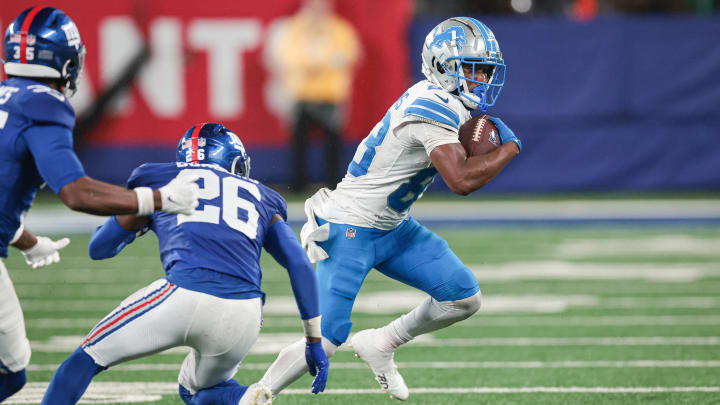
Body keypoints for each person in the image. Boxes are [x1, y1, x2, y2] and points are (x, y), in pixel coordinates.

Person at [256, 17, 522, 401]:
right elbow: (461, 181)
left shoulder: (448, 101)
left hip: (394, 227)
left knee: (462, 297)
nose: (481, 79)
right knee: (327, 337)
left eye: (485, 71)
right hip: (350, 226)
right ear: (443, 67)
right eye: (473, 69)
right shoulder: (434, 105)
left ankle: (382, 343)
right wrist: (510, 149)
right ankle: (258, 393)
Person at [40, 123, 330, 405]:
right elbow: (299, 264)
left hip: (182, 296)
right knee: (196, 391)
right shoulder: (262, 195)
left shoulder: (160, 177)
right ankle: (242, 398)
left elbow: (99, 248)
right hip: (244, 315)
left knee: (83, 361)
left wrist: (142, 214)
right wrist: (313, 341)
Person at [0, 7, 199, 402]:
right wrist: (156, 198)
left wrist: (24, 239)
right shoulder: (44, 104)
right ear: (63, 59)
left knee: (12, 365)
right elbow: (75, 191)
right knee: (12, 368)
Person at [269, 0, 361, 192]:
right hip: (302, 93)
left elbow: (349, 54)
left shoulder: (339, 29)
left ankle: (334, 184)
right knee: (299, 144)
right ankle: (298, 184)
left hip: (330, 94)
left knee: (333, 145)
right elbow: (285, 55)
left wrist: (319, 63)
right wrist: (314, 64)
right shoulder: (295, 29)